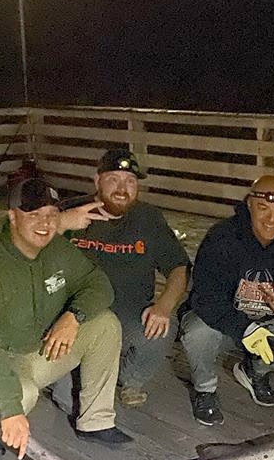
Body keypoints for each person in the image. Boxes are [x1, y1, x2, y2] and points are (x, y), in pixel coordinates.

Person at [0, 177, 131, 459]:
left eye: (52, 215)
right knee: (21, 395)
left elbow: (98, 283)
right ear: (12, 217)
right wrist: (11, 410)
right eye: (34, 214)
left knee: (104, 324)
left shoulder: (56, 249)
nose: (45, 223)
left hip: (31, 349)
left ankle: (95, 421)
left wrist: (73, 317)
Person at [179, 175, 274, 425]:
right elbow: (206, 298)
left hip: (269, 326)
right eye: (263, 208)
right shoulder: (222, 237)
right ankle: (205, 389)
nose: (272, 219)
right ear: (249, 204)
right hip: (225, 324)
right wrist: (245, 330)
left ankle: (255, 371)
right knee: (196, 333)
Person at [54, 147, 190, 408]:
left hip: (129, 314)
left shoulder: (148, 218)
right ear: (97, 181)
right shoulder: (71, 211)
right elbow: (23, 242)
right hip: (76, 317)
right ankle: (78, 372)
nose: (122, 187)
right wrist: (61, 223)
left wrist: (163, 306)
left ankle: (130, 378)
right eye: (113, 179)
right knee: (67, 401)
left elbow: (178, 267)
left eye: (130, 181)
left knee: (163, 328)